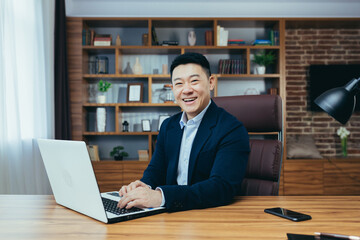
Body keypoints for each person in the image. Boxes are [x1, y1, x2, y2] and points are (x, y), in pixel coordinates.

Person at [118, 52, 250, 212]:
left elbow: (221, 187)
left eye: (194, 81)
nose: (186, 90)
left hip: (209, 216)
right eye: (179, 84)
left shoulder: (231, 129)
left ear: (211, 82)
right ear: (173, 89)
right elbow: (156, 169)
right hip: (170, 216)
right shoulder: (168, 126)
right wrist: (144, 186)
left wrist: (161, 197)